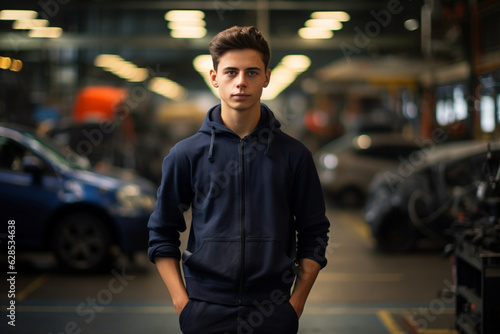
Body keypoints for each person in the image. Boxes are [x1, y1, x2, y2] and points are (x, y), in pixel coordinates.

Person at [147, 25, 330, 334]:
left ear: (267, 78)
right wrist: (183, 304)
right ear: (214, 77)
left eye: (252, 73)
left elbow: (314, 234)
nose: (241, 82)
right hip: (204, 310)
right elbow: (161, 233)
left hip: (273, 310)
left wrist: (295, 304)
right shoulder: (185, 154)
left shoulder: (294, 155)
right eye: (231, 72)